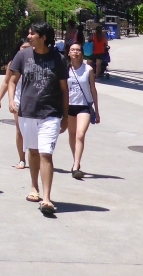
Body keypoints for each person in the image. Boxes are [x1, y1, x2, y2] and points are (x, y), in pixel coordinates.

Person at [8, 21, 69, 217]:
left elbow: (64, 89)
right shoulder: (23, 55)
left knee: (46, 153)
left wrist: (65, 116)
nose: (29, 36)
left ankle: (47, 198)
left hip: (50, 113)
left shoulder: (58, 59)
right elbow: (12, 80)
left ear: (43, 37)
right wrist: (11, 100)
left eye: (33, 33)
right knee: (33, 152)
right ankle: (34, 187)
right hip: (27, 112)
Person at [0, 39, 32, 170]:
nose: (26, 50)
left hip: (34, 102)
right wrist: (0, 99)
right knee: (20, 130)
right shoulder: (14, 64)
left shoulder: (36, 61)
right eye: (23, 47)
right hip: (18, 100)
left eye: (28, 47)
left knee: (34, 131)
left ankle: (36, 157)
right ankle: (22, 159)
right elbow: (7, 82)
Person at [65, 42, 100, 179]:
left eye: (78, 50)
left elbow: (93, 89)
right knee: (72, 135)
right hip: (69, 106)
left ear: (82, 53)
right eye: (72, 50)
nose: (75, 52)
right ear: (68, 53)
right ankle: (76, 161)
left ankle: (75, 166)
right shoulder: (65, 69)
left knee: (80, 134)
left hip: (84, 106)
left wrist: (96, 110)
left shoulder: (88, 70)